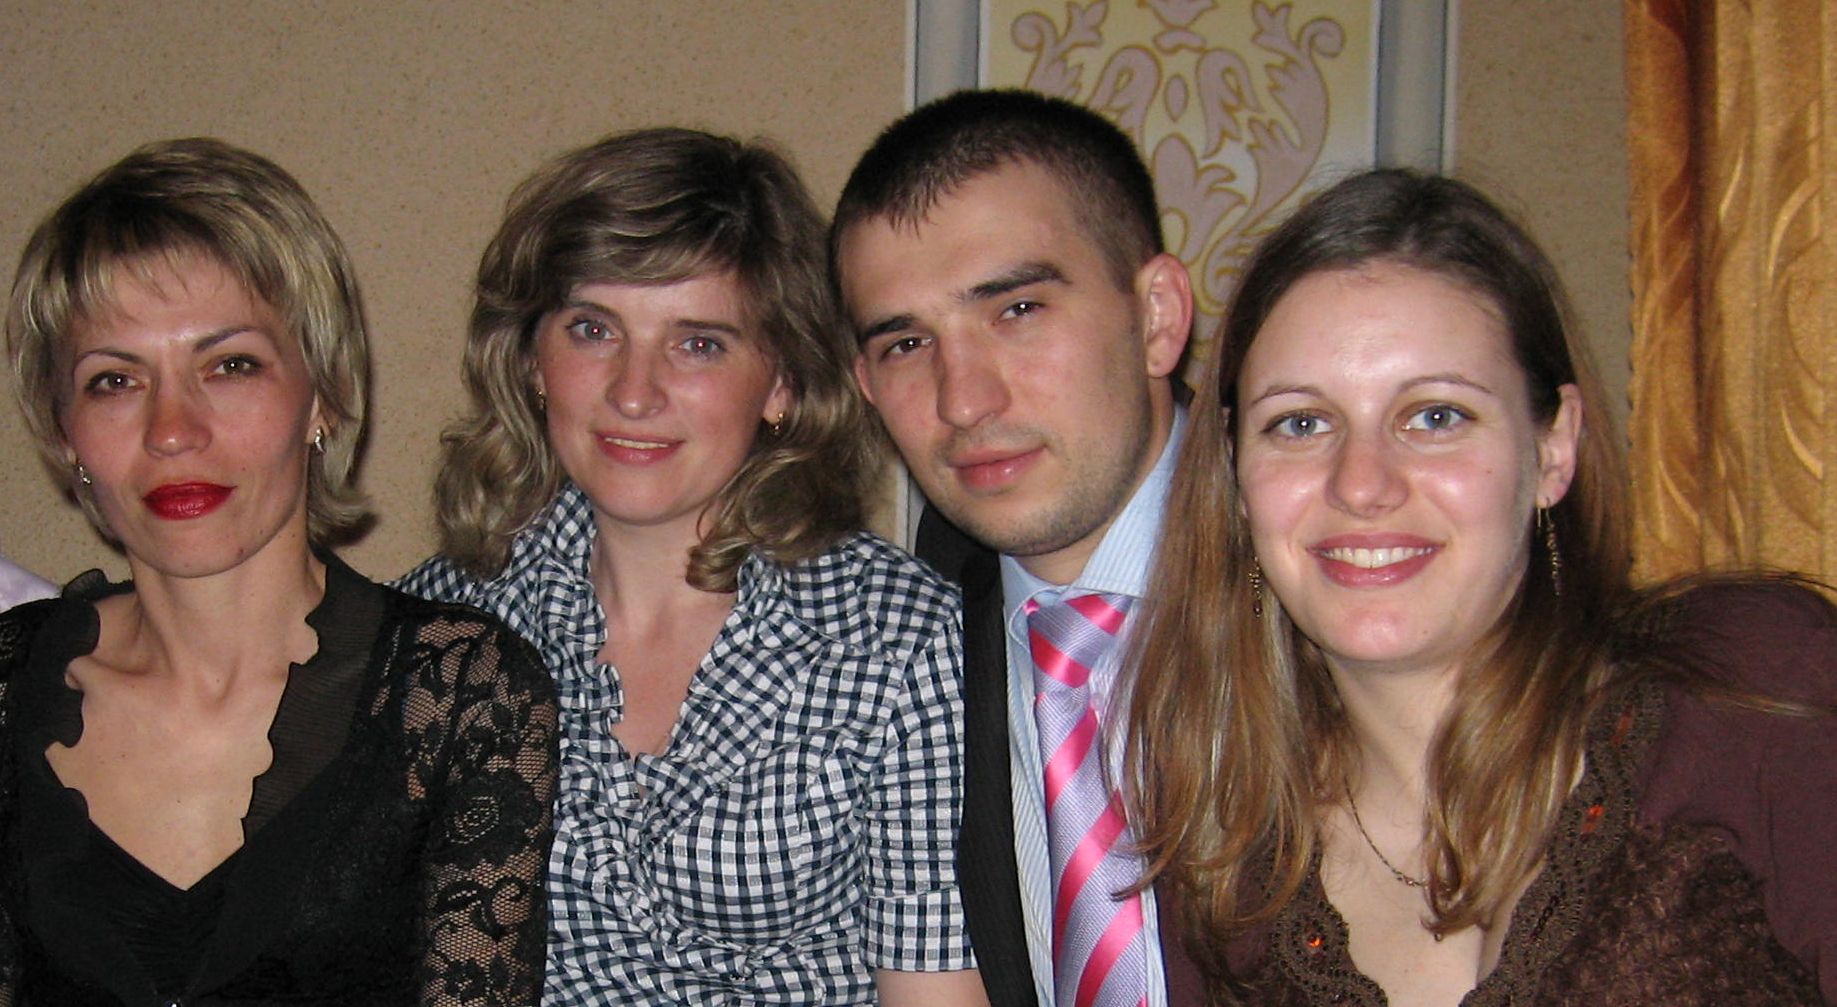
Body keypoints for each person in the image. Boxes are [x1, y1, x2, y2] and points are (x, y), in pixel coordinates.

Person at [1126, 167, 1837, 1004]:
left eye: (1435, 415)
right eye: (1301, 422)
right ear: (1236, 475)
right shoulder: (1216, 865)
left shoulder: (1752, 691)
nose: (1361, 483)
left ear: (1552, 447)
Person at [395, 127, 984, 1006]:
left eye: (698, 342)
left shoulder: (904, 642)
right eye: (592, 329)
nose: (634, 391)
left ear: (781, 382)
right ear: (530, 359)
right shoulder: (438, 631)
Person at [0, 138, 557, 1005]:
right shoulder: (10, 680)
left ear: (322, 395)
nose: (172, 429)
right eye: (114, 380)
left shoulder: (456, 692)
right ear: (64, 433)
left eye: (230, 365)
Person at [832, 88, 1203, 1007]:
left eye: (1017, 309)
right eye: (906, 342)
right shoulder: (899, 641)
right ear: (865, 383)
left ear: (1157, 316)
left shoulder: (1331, 569)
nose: (963, 399)